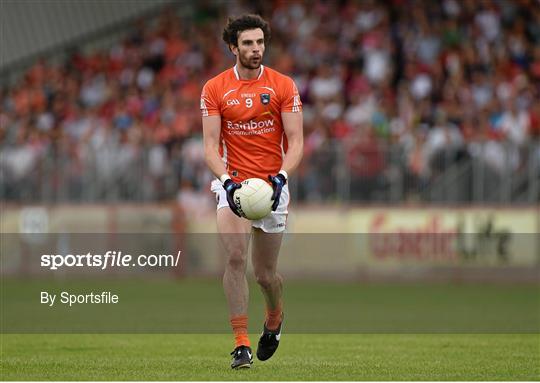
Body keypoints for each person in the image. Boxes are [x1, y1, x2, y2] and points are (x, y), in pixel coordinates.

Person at [200, 14, 303, 369]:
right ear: (233, 47)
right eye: (248, 43)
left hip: (273, 186)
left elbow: (297, 141)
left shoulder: (283, 85)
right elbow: (211, 147)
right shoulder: (214, 88)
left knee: (264, 275)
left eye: (259, 42)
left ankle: (274, 317)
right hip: (235, 185)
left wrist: (282, 177)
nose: (255, 49)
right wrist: (227, 182)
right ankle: (241, 343)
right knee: (233, 258)